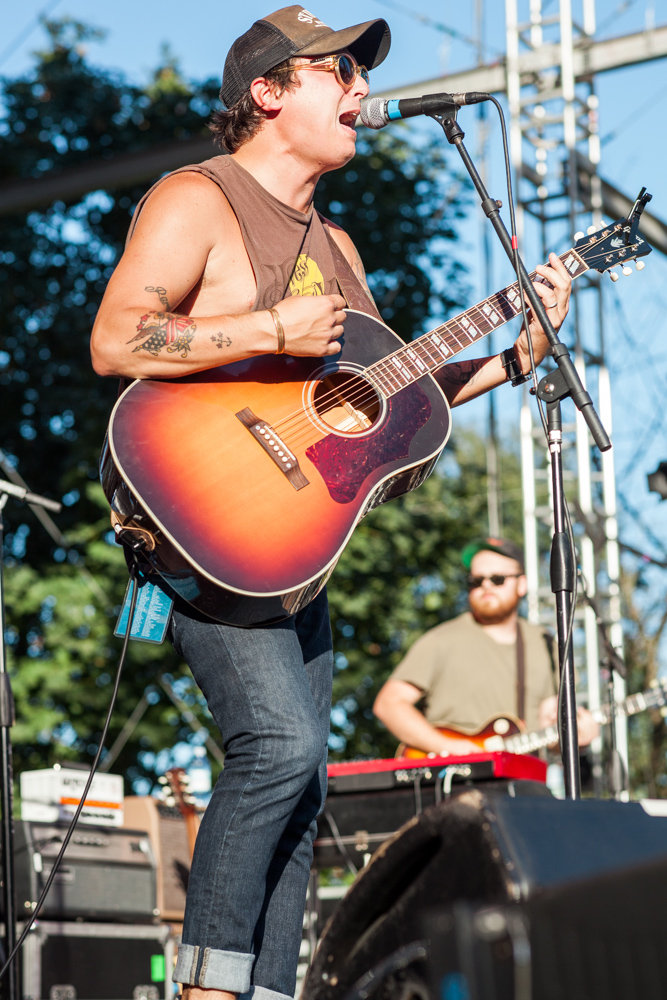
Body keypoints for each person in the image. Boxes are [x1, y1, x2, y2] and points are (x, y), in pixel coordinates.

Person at [90, 7, 572, 1000]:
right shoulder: (198, 200)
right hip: (198, 526)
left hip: (292, 544)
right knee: (278, 746)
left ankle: (266, 990)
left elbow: (384, 395)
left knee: (303, 790)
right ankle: (210, 988)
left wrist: (515, 354)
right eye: (337, 72)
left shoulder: (335, 242)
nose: (360, 89)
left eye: (360, 74)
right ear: (270, 92)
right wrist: (267, 324)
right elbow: (116, 342)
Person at [373, 538, 598, 757]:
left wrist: (577, 739)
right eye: (475, 581)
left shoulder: (546, 644)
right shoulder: (440, 640)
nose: (486, 586)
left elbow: (551, 734)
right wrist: (448, 748)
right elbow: (389, 704)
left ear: (522, 584)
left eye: (498, 579)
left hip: (525, 781)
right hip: (457, 781)